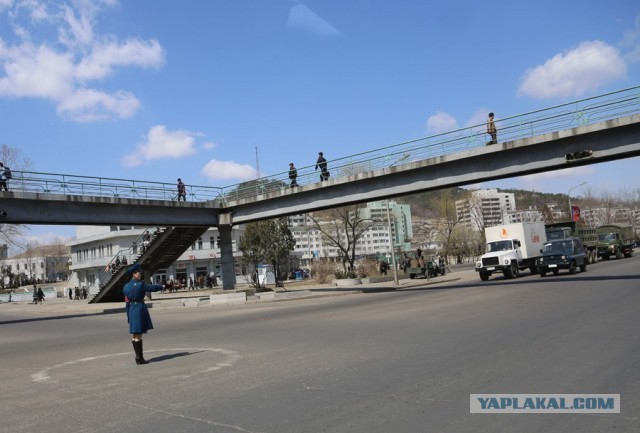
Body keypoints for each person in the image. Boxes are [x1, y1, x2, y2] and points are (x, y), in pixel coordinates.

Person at [123, 264, 165, 365]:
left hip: (131, 309)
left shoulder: (126, 286)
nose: (140, 275)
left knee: (134, 335)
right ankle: (139, 358)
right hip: (138, 309)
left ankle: (138, 357)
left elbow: (127, 302)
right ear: (134, 274)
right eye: (139, 273)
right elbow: (151, 288)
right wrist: (162, 286)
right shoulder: (140, 284)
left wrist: (128, 314)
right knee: (138, 335)